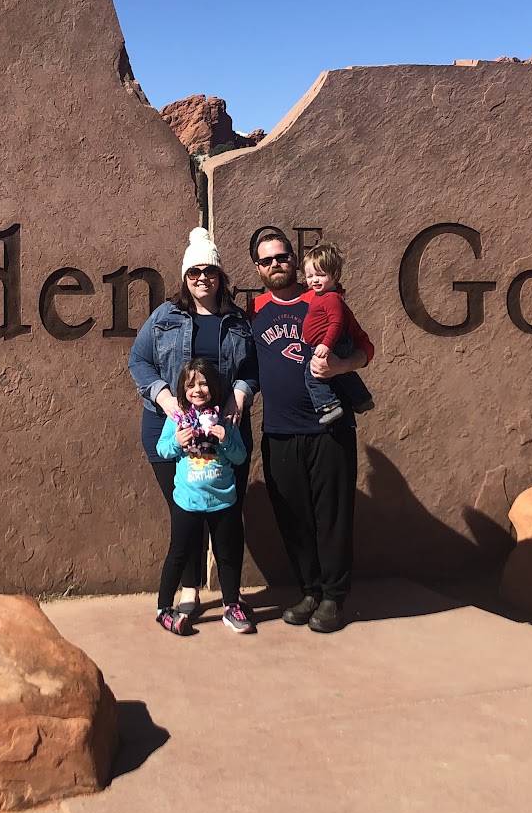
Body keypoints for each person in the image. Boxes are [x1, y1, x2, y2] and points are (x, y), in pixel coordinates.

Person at [128, 227, 257, 616]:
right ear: (185, 277)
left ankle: (231, 598)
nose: (203, 278)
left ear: (221, 276)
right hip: (167, 427)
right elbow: (139, 361)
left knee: (223, 511)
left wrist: (238, 396)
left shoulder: (237, 321)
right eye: (195, 271)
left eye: (210, 271)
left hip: (226, 429)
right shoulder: (165, 317)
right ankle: (189, 587)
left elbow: (252, 369)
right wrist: (165, 398)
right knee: (184, 511)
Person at [249, 229, 372, 633]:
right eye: (267, 261)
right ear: (258, 268)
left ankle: (335, 597)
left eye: (282, 257)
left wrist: (339, 366)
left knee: (332, 516)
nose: (276, 265)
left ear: (293, 259)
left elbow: (365, 349)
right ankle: (310, 591)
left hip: (328, 430)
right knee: (294, 518)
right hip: (280, 432)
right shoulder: (253, 310)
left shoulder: (324, 300)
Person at [152, 360, 254, 635]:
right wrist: (177, 441)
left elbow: (240, 456)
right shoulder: (176, 419)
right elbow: (162, 450)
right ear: (182, 390)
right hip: (189, 500)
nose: (198, 390)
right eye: (191, 385)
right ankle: (164, 609)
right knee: (179, 553)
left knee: (227, 555)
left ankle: (231, 605)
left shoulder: (224, 418)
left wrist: (225, 439)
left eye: (204, 383)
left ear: (214, 387)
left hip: (223, 500)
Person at [301, 242, 376, 425]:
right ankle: (361, 399)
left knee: (313, 375)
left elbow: (336, 322)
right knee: (344, 374)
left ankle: (329, 405)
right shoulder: (318, 296)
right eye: (310, 276)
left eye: (320, 275)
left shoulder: (332, 298)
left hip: (331, 344)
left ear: (335, 275)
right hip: (326, 344)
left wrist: (326, 344)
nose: (314, 280)